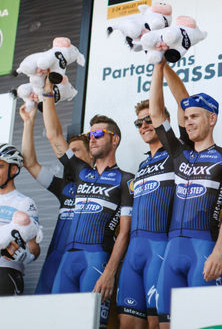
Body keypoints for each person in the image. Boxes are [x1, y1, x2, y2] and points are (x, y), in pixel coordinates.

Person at [149, 59, 222, 327]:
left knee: (204, 324)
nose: (188, 123)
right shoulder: (179, 154)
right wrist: (157, 64)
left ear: (212, 119)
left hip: (203, 248)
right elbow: (156, 115)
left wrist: (219, 252)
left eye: (194, 117)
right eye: (186, 118)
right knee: (166, 324)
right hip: (172, 250)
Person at [42, 77, 133, 327]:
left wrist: (110, 272)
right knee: (59, 324)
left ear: (114, 139)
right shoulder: (81, 172)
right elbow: (54, 135)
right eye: (88, 135)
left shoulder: (126, 180)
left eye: (97, 134)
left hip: (96, 259)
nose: (91, 139)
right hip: (67, 259)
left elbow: (124, 233)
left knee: (90, 325)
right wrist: (47, 93)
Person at [117, 63, 189, 329]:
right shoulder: (141, 165)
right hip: (134, 252)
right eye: (139, 122)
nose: (144, 125)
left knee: (157, 324)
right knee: (127, 324)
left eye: (149, 119)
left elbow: (184, 103)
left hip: (161, 248)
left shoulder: (178, 152)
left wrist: (161, 64)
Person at [19, 103, 93, 294]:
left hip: (83, 264)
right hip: (54, 262)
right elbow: (30, 163)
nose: (69, 155)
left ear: (91, 156)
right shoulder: (64, 187)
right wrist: (28, 122)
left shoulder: (103, 185)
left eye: (75, 151)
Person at [0, 143, 40, 295]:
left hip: (5, 272)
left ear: (13, 169)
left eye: (0, 166)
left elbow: (34, 247)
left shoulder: (25, 203)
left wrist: (26, 256)